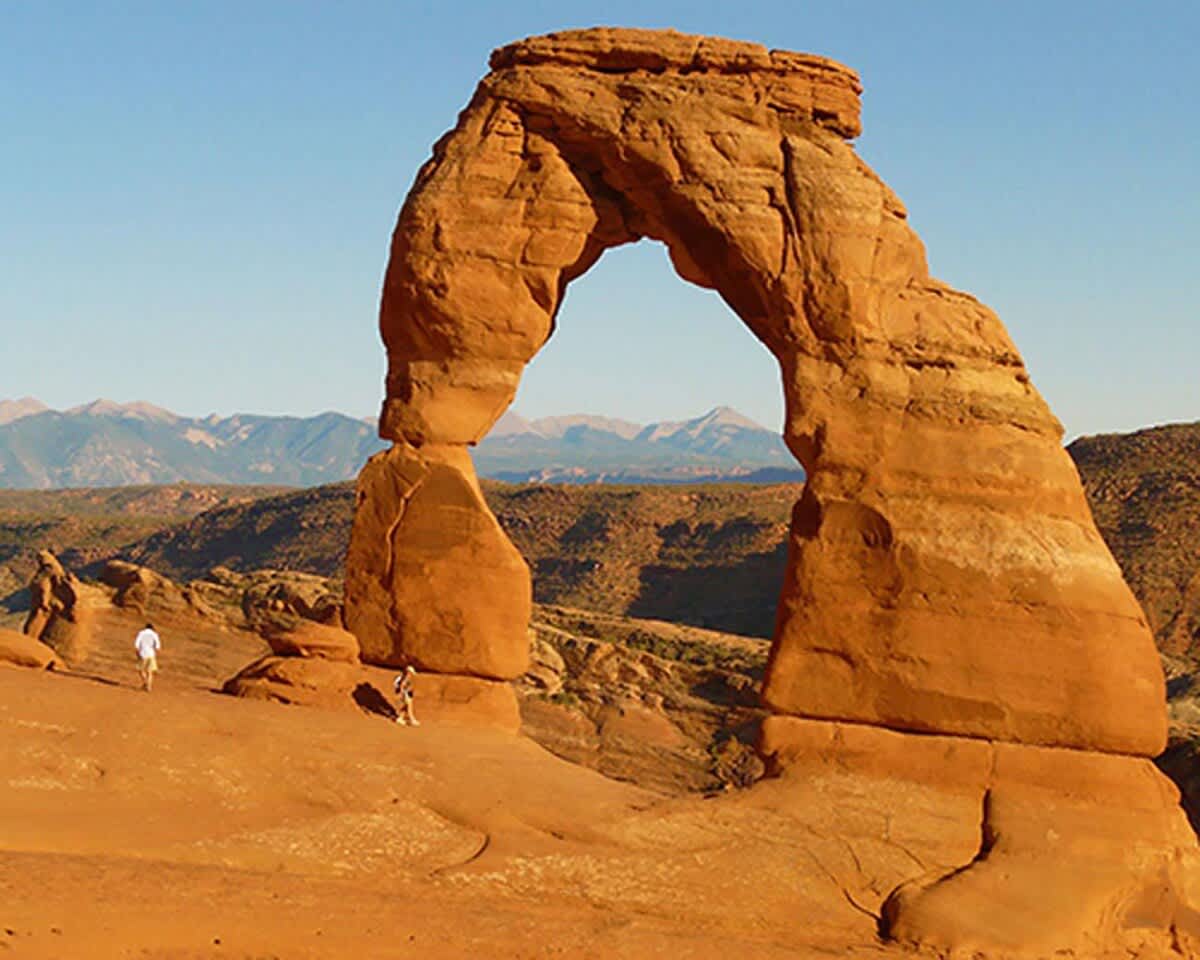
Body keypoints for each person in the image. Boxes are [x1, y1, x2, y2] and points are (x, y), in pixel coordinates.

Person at [134, 622, 161, 692]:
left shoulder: (141, 633)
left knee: (140, 670)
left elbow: (137, 644)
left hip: (143, 653)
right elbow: (157, 646)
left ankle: (145, 683)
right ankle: (149, 686)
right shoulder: (155, 634)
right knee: (150, 672)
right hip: (151, 654)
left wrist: (137, 653)